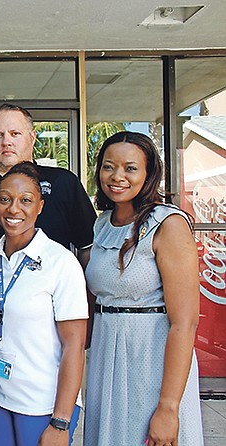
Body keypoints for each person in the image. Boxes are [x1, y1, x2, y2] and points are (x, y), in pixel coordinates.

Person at [84, 131, 203, 446]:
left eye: (130, 168)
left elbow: (185, 322)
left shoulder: (169, 224)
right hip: (105, 356)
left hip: (151, 361)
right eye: (108, 166)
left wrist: (169, 407)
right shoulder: (101, 225)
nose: (117, 176)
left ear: (149, 174)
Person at [0, 162, 87, 446]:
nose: (14, 209)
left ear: (40, 206)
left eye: (25, 200)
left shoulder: (60, 263)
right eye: (5, 199)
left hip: (44, 404)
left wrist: (61, 422)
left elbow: (74, 346)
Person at [0, 104, 96, 263]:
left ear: (32, 137)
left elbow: (87, 246)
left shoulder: (63, 183)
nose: (6, 142)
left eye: (15, 134)